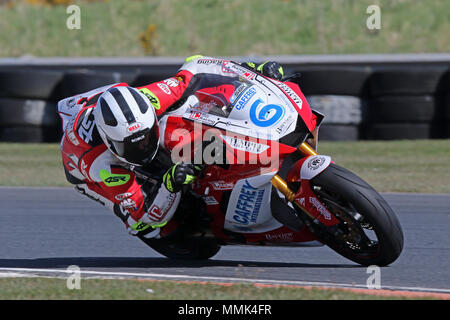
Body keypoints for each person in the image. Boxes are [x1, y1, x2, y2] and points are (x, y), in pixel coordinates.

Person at [58, 55, 285, 240]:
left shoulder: (152, 98)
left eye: (146, 137)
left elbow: (195, 67)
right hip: (80, 164)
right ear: (111, 142)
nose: (144, 147)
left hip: (110, 108)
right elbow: (147, 215)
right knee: (142, 225)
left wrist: (251, 72)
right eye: (133, 146)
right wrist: (169, 184)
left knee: (188, 115)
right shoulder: (103, 166)